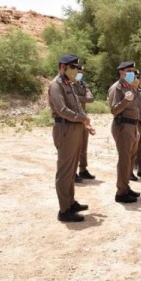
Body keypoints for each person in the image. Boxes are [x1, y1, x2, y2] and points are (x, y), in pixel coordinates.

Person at [48, 54, 92, 222]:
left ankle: (70, 202)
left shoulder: (70, 83)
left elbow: (78, 104)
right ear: (62, 67)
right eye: (72, 67)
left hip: (74, 127)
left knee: (72, 169)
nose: (75, 70)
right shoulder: (56, 85)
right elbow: (62, 109)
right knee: (65, 170)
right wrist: (82, 118)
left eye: (76, 67)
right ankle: (64, 210)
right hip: (65, 128)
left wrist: (84, 123)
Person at [108, 61, 141, 203]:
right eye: (129, 70)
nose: (132, 73)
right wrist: (124, 100)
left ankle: (126, 187)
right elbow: (114, 110)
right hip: (123, 126)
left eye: (133, 70)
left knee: (129, 159)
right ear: (121, 72)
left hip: (132, 127)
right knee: (124, 160)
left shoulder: (131, 86)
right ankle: (121, 193)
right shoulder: (116, 88)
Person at [71, 64, 96, 182]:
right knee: (74, 147)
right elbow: (71, 99)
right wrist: (82, 97)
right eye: (78, 71)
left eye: (81, 72)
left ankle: (83, 169)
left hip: (84, 118)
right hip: (73, 118)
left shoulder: (82, 85)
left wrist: (78, 97)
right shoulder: (69, 85)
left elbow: (91, 98)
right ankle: (73, 172)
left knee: (83, 146)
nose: (80, 74)